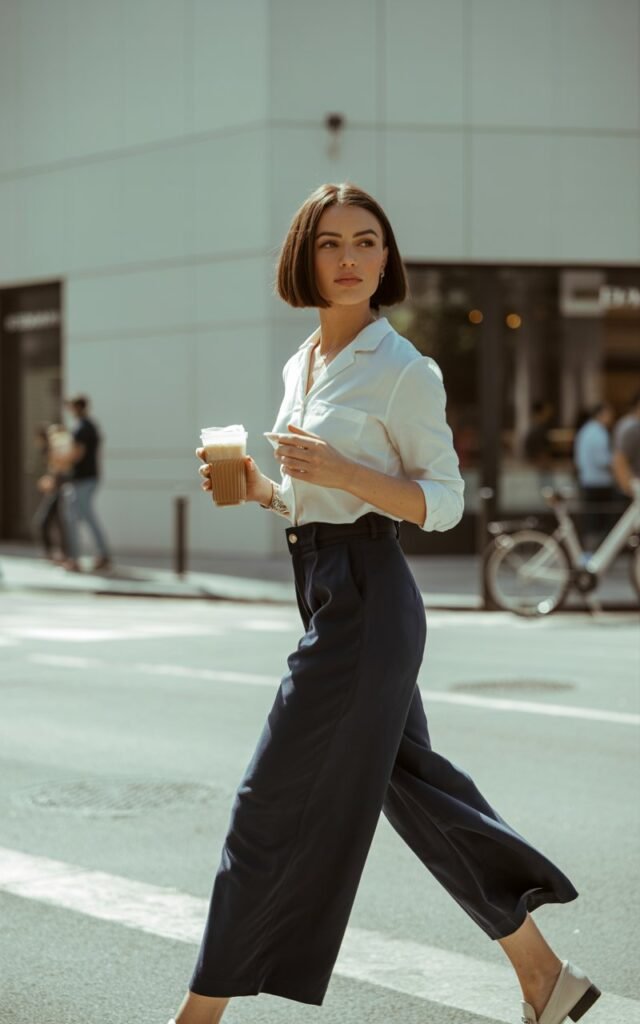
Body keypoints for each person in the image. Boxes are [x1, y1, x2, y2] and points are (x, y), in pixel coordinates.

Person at [172, 183, 599, 1024]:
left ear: (387, 258)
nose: (351, 259)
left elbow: (443, 501)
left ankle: (198, 1017)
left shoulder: (405, 369)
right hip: (327, 587)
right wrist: (262, 488)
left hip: (370, 601)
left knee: (267, 805)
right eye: (331, 244)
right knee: (416, 792)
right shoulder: (304, 363)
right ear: (305, 257)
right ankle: (546, 978)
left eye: (367, 242)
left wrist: (346, 475)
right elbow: (313, 499)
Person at [61, 395, 112, 572]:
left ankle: (84, 558)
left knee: (80, 517)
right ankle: (85, 556)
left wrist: (61, 460)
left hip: (82, 479)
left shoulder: (82, 428)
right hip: (87, 478)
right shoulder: (90, 425)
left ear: (76, 408)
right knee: (78, 516)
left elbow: (78, 454)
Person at [573, 401, 616, 552]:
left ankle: (590, 550)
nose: (611, 418)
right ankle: (596, 551)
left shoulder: (585, 430)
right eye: (609, 414)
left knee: (591, 518)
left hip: (587, 480)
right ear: (601, 414)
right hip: (600, 482)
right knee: (599, 519)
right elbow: (603, 460)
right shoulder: (599, 432)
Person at [32, 424, 72, 563]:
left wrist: (51, 480)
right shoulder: (52, 450)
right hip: (57, 489)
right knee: (54, 521)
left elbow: (61, 469)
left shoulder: (59, 449)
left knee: (56, 521)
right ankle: (57, 553)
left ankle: (64, 554)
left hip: (60, 489)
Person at [523, 399, 555, 492]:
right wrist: (543, 461)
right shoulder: (537, 429)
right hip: (541, 468)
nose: (550, 413)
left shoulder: (538, 428)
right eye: (547, 410)